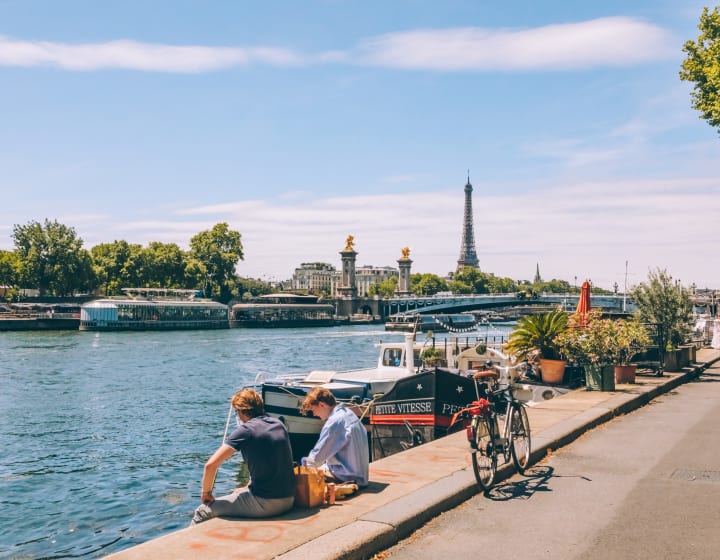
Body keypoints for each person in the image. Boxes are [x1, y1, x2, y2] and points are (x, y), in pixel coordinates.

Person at [191, 388, 295, 525]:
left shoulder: (246, 431)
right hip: (289, 499)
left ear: (241, 411)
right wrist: (249, 486)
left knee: (203, 511)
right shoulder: (278, 424)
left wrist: (206, 493)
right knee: (236, 494)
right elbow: (270, 463)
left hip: (266, 504)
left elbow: (210, 465)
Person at [301, 387, 369, 488]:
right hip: (361, 476)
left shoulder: (334, 423)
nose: (315, 414)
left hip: (347, 478)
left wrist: (303, 465)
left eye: (314, 410)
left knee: (302, 475)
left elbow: (316, 459)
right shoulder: (348, 413)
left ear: (322, 405)